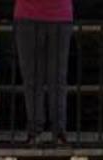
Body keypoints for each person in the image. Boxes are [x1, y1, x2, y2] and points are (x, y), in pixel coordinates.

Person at [13, 0, 72, 144]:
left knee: (55, 79)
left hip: (59, 16)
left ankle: (56, 131)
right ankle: (36, 131)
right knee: (33, 79)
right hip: (30, 14)